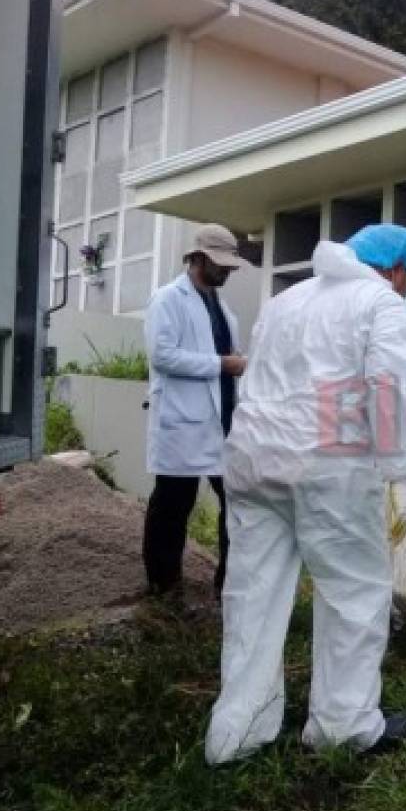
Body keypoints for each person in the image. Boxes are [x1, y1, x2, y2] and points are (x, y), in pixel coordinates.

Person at [204, 224, 406, 765]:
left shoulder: (285, 300)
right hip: (330, 468)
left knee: (251, 600)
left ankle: (235, 735)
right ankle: (343, 728)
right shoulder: (379, 302)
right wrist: (399, 476)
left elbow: (260, 380)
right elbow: (390, 389)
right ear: (396, 270)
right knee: (352, 595)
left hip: (255, 464)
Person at [142, 223, 245, 599]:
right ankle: (163, 587)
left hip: (223, 423)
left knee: (236, 504)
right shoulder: (168, 299)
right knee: (172, 507)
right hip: (183, 424)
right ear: (199, 258)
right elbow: (162, 355)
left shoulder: (221, 307)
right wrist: (222, 364)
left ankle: (227, 585)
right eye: (222, 265)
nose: (228, 272)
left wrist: (233, 368)